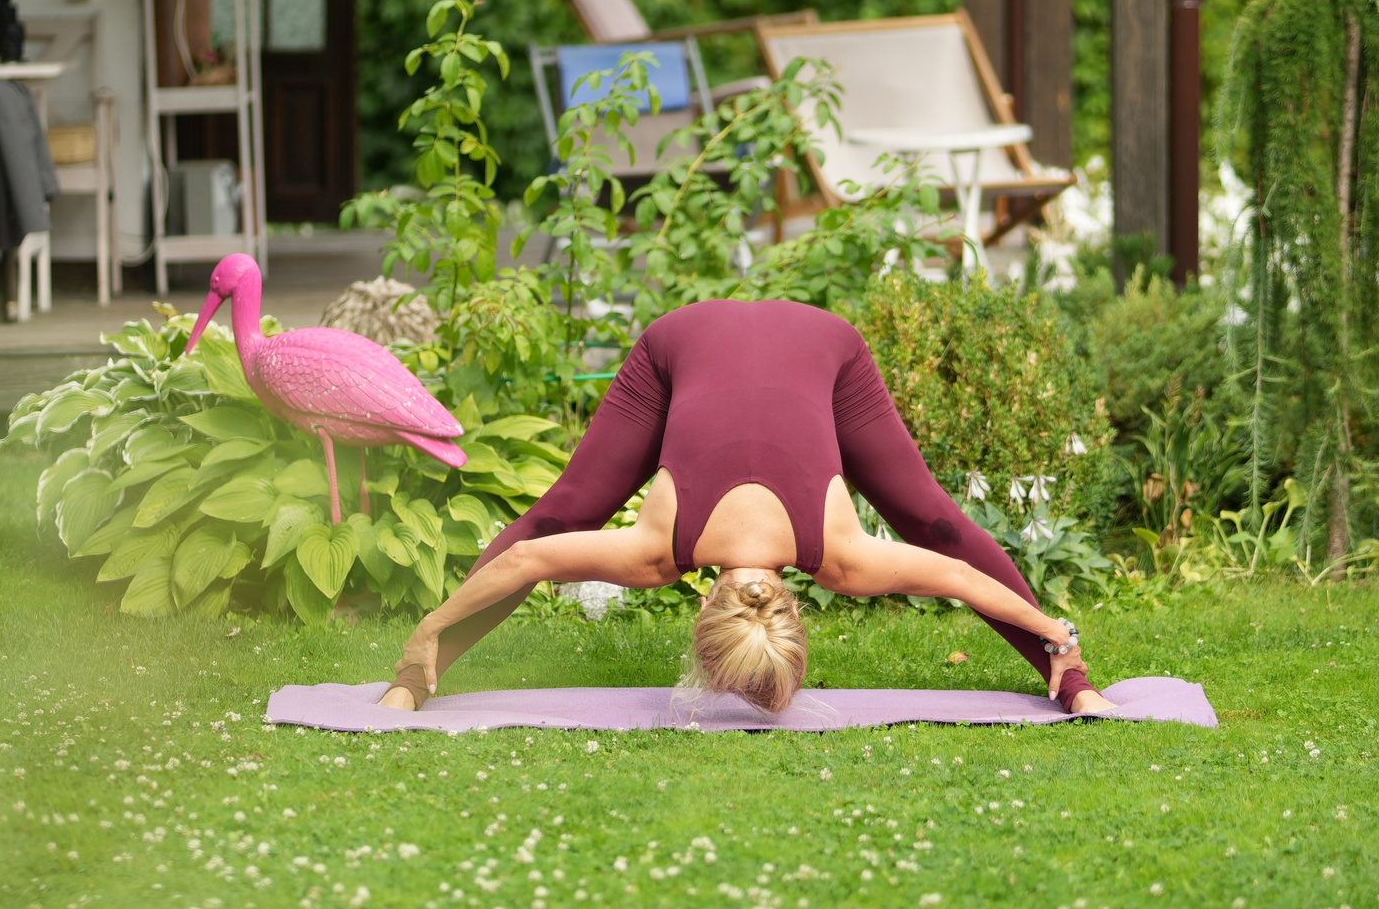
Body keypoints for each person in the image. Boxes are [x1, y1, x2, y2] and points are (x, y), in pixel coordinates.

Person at [383, 298, 1109, 716]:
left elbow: (527, 560)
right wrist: (430, 627)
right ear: (705, 614)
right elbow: (528, 554)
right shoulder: (686, 555)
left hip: (816, 348)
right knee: (565, 510)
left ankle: (416, 676)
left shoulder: (689, 552)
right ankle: (418, 676)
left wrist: (1057, 632)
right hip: (686, 348)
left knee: (936, 521)